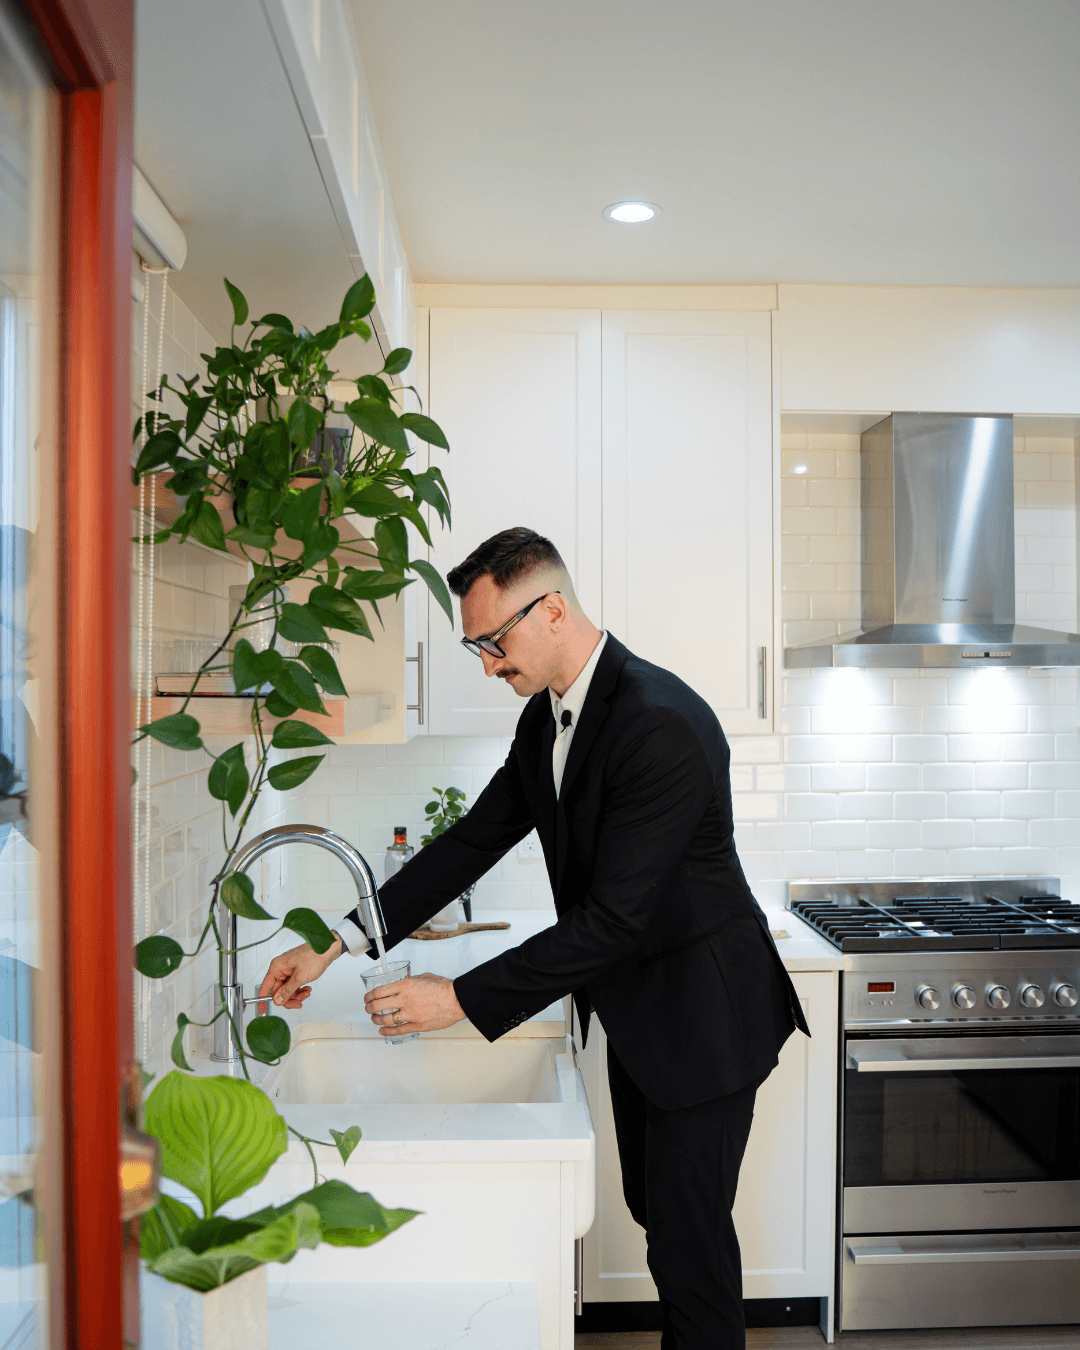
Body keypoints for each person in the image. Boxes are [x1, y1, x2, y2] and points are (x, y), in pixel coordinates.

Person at [259, 526, 809, 1349]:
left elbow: (613, 921)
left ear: (551, 609)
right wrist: (335, 942)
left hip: (705, 1016)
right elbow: (472, 842)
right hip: (644, 1013)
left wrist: (461, 999)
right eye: (475, 646)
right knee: (657, 1217)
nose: (487, 665)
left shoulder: (657, 724)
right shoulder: (550, 715)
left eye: (493, 641)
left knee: (691, 1248)